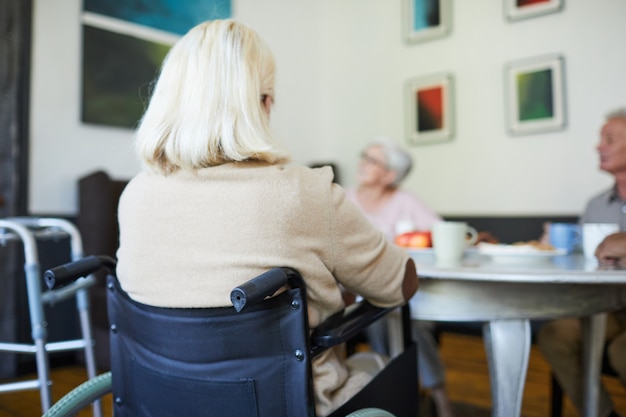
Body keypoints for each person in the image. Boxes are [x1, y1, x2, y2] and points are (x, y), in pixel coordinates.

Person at [114, 19, 418, 417]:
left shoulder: (134, 195)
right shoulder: (302, 192)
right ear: (260, 104)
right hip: (296, 406)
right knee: (376, 368)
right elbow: (398, 284)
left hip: (161, 405)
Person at [346, 139, 456, 417]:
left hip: (404, 294)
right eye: (364, 156)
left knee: (411, 325)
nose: (362, 163)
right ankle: (394, 395)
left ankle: (440, 400)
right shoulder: (343, 199)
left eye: (371, 160)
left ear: (390, 175)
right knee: (381, 318)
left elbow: (441, 234)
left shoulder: (405, 202)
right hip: (355, 294)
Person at [537, 108, 626, 417]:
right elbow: (586, 260)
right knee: (555, 334)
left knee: (622, 353)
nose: (598, 146)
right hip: (608, 306)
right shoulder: (596, 205)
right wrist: (555, 247)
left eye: (609, 139)